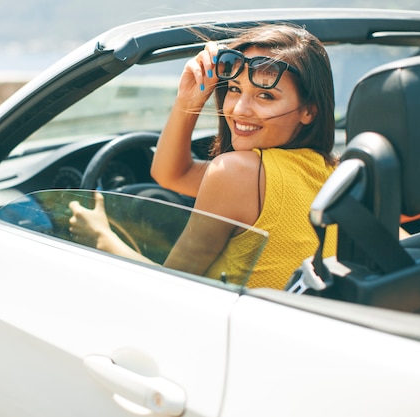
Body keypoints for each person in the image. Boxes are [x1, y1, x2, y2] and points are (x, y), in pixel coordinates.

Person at [69, 23, 338, 289]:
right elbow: (171, 174)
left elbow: (171, 287)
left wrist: (101, 237)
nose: (239, 109)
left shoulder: (238, 173)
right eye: (234, 88)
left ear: (309, 111)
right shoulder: (335, 174)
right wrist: (188, 99)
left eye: (265, 96)